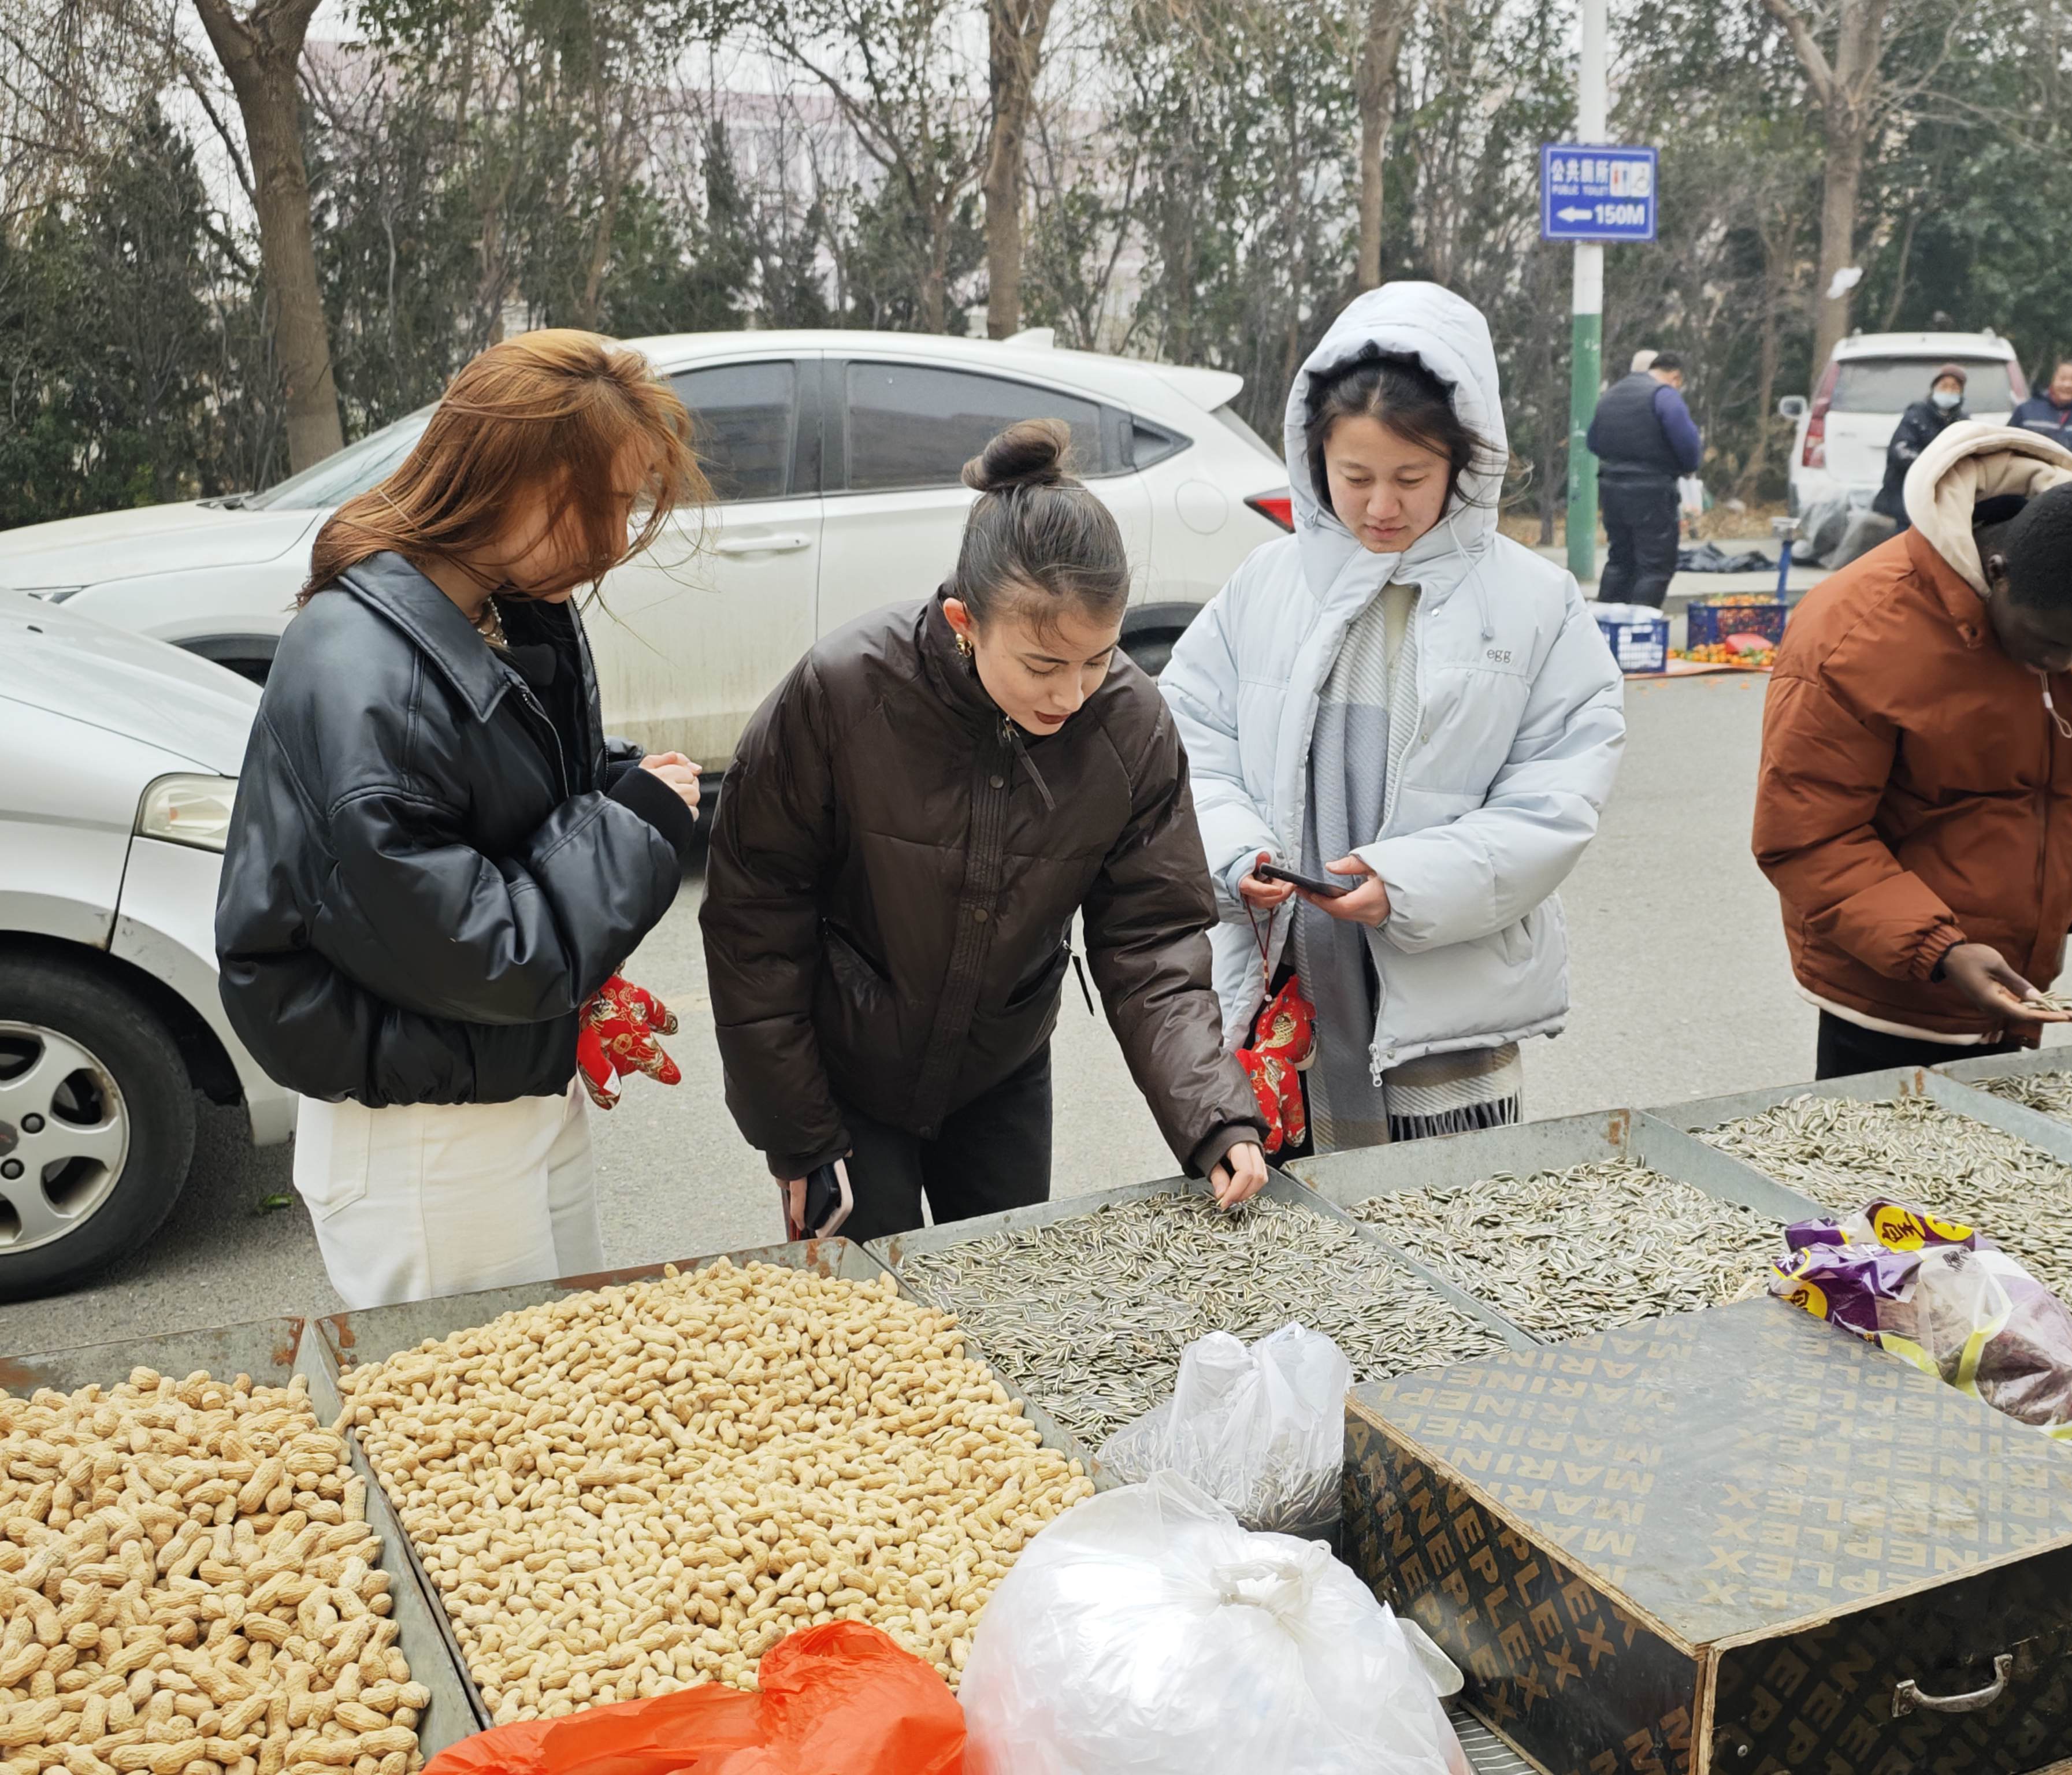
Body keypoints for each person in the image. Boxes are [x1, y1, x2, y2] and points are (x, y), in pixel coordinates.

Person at [215, 330, 707, 1307]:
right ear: (509, 478)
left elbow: (503, 797)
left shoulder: (487, 604)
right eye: (601, 501)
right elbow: (486, 949)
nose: (616, 535)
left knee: (548, 1392)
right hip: (426, 1139)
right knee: (478, 1426)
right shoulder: (376, 675)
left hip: (492, 1079)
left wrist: (618, 786)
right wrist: (633, 826)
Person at [701, 420, 1266, 1243]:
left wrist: (1216, 1118)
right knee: (877, 1338)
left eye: (1098, 659)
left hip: (1001, 1069)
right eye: (1042, 665)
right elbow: (755, 924)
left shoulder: (1131, 727)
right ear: (967, 620)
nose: (1072, 694)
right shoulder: (842, 693)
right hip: (850, 1077)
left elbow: (1155, 944)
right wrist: (797, 1137)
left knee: (1009, 1309)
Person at [1161, 281, 1627, 1153]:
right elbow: (1189, 744)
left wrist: (1408, 886)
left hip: (1446, 1011)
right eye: (1356, 477)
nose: (1382, 506)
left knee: (1448, 1239)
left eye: (1411, 478)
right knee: (1296, 1253)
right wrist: (1233, 855)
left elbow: (1556, 801)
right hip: (1285, 993)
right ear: (1314, 460)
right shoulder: (1266, 584)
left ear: (1465, 463)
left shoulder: (1534, 603)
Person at [1753, 424, 2072, 1080]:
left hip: (2018, 974)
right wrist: (1940, 951)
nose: (2063, 662)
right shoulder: (1851, 631)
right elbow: (1806, 836)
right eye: (2047, 640)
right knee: (1877, 1174)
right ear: (1995, 573)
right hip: (1885, 992)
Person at [1585, 352, 1701, 608]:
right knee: (1655, 566)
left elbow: (1593, 441)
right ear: (1675, 377)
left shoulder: (1612, 394)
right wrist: (1687, 467)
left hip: (1611, 487)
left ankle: (1605, 630)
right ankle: (1639, 633)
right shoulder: (1664, 395)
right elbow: (1688, 445)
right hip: (1652, 490)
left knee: (1620, 560)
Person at [1872, 363, 1969, 523]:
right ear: (1934, 388)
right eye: (1944, 386)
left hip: (1945, 498)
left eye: (1954, 387)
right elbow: (1901, 451)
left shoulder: (1963, 422)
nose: (1949, 391)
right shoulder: (1915, 416)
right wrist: (1934, 465)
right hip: (1905, 496)